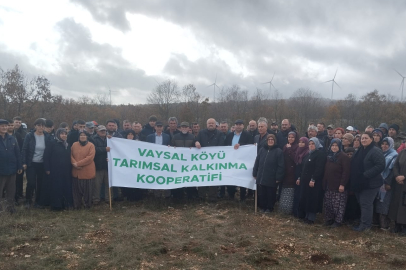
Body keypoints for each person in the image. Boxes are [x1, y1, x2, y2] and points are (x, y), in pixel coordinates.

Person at [349, 132, 385, 232]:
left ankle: (365, 226)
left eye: (366, 138)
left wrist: (366, 175)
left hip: (370, 183)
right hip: (360, 183)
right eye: (362, 138)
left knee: (366, 204)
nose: (363, 140)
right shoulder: (360, 150)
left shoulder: (375, 151)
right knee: (362, 203)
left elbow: (380, 165)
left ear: (371, 139)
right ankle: (363, 222)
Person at [22, 118, 50, 208]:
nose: (41, 127)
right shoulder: (29, 136)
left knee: (40, 183)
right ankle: (28, 201)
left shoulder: (47, 136)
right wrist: (24, 162)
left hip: (42, 164)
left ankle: (38, 201)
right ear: (35, 126)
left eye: (42, 125)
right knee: (31, 182)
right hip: (31, 163)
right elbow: (24, 149)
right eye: (39, 125)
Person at [297, 137, 326, 224]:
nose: (311, 146)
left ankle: (311, 218)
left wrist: (313, 179)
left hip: (314, 182)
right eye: (309, 144)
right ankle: (305, 216)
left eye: (313, 144)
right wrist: (299, 177)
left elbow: (319, 168)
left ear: (316, 144)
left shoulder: (320, 154)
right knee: (305, 198)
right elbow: (303, 167)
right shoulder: (308, 154)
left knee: (312, 199)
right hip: (305, 181)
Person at [322, 138, 351, 228]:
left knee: (338, 205)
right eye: (333, 145)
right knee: (328, 203)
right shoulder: (329, 157)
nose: (334, 147)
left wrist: (342, 184)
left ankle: (338, 221)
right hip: (329, 184)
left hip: (338, 185)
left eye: (336, 146)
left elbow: (346, 172)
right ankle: (329, 219)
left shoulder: (344, 157)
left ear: (340, 146)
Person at [253, 134, 284, 213]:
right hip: (261, 175)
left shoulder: (278, 151)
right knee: (262, 193)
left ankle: (270, 208)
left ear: (274, 141)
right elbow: (257, 162)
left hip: (271, 177)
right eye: (269, 140)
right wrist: (255, 172)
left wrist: (278, 177)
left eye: (272, 140)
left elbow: (281, 166)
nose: (270, 141)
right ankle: (263, 206)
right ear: (266, 141)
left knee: (270, 193)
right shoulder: (262, 150)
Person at [43, 128, 73, 211]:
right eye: (62, 134)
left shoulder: (67, 144)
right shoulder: (52, 143)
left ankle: (65, 204)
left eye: (65, 134)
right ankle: (56, 206)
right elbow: (46, 156)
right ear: (58, 135)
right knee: (56, 188)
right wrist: (47, 168)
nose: (64, 135)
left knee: (65, 187)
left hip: (66, 170)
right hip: (55, 170)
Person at [195, 118, 224, 201]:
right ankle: (201, 196)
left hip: (215, 161)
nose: (211, 125)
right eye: (209, 123)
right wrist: (196, 142)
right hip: (202, 161)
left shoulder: (220, 134)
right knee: (202, 177)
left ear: (215, 125)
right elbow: (196, 140)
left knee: (213, 178)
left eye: (212, 123)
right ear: (206, 124)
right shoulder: (201, 133)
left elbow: (221, 145)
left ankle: (213, 197)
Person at [224, 119, 254, 201]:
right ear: (234, 126)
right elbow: (225, 145)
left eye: (240, 124)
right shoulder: (229, 135)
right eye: (237, 124)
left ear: (243, 126)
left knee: (242, 178)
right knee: (231, 177)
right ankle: (231, 195)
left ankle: (242, 197)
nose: (238, 126)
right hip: (231, 161)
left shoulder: (247, 135)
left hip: (242, 161)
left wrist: (241, 145)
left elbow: (250, 145)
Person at [375, 137, 398, 230]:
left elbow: (393, 170)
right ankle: (377, 223)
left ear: (391, 145)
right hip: (379, 182)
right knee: (378, 202)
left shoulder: (394, 155)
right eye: (382, 144)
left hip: (387, 183)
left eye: (386, 144)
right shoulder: (381, 154)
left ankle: (385, 225)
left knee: (385, 204)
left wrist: (388, 182)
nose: (384, 146)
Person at [0, 119, 22, 213]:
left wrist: (19, 166)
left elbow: (17, 153)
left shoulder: (12, 138)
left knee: (11, 191)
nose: (5, 127)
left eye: (6, 126)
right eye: (2, 126)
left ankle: (10, 208)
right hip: (1, 170)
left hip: (12, 169)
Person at [171, 122, 196, 200]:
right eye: (183, 127)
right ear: (180, 128)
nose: (184, 128)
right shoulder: (175, 137)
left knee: (189, 179)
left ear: (189, 128)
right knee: (178, 179)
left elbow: (196, 147)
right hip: (178, 163)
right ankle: (178, 197)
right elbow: (171, 147)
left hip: (189, 163)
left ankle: (190, 197)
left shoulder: (193, 137)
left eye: (186, 127)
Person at [71, 131, 96, 209]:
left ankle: (87, 205)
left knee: (87, 190)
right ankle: (77, 204)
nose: (82, 136)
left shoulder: (91, 145)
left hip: (87, 171)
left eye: (84, 135)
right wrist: (74, 163)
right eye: (81, 135)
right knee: (76, 190)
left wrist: (78, 164)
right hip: (76, 172)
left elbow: (90, 158)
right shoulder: (74, 145)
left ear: (87, 136)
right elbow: (70, 155)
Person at [146, 121, 171, 198]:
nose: (159, 128)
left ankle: (167, 195)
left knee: (165, 176)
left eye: (161, 126)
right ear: (155, 127)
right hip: (154, 161)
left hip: (164, 161)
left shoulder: (167, 136)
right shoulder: (149, 137)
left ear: (162, 127)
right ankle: (156, 195)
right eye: (158, 126)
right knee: (155, 176)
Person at [279, 131, 299, 214]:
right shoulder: (285, 146)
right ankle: (283, 208)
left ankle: (289, 209)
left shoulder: (297, 147)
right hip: (285, 171)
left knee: (290, 190)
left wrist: (290, 149)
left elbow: (296, 159)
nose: (290, 139)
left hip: (292, 172)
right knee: (284, 188)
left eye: (292, 137)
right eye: (289, 137)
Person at [389, 141, 406, 235]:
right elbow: (395, 166)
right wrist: (397, 176)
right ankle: (397, 225)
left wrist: (404, 176)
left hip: (405, 182)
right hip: (399, 183)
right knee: (397, 204)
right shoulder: (402, 152)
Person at [92, 125, 110, 205]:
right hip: (98, 165)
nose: (103, 132)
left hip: (108, 165)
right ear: (97, 131)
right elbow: (94, 149)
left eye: (104, 131)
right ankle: (96, 199)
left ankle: (108, 199)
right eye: (101, 131)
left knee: (108, 184)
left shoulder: (109, 139)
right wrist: (104, 149)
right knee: (97, 185)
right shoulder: (93, 139)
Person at [293, 137, 309, 217]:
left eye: (303, 142)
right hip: (297, 174)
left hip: (303, 176)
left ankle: (301, 213)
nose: (301, 144)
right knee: (297, 193)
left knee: (302, 194)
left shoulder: (307, 153)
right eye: (299, 142)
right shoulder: (298, 151)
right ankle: (295, 211)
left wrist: (299, 177)